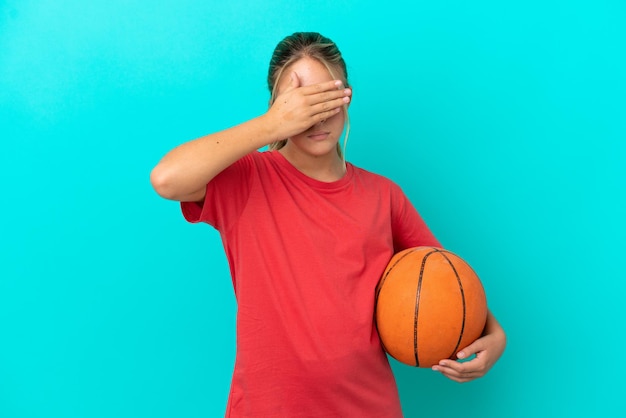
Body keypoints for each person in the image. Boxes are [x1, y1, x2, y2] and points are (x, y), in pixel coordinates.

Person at [151, 32, 506, 418]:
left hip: (368, 406)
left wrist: (495, 334)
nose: (316, 116)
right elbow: (167, 179)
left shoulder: (383, 196)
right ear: (277, 106)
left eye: (327, 98)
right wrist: (272, 125)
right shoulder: (248, 179)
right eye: (301, 104)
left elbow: (445, 278)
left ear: (348, 96)